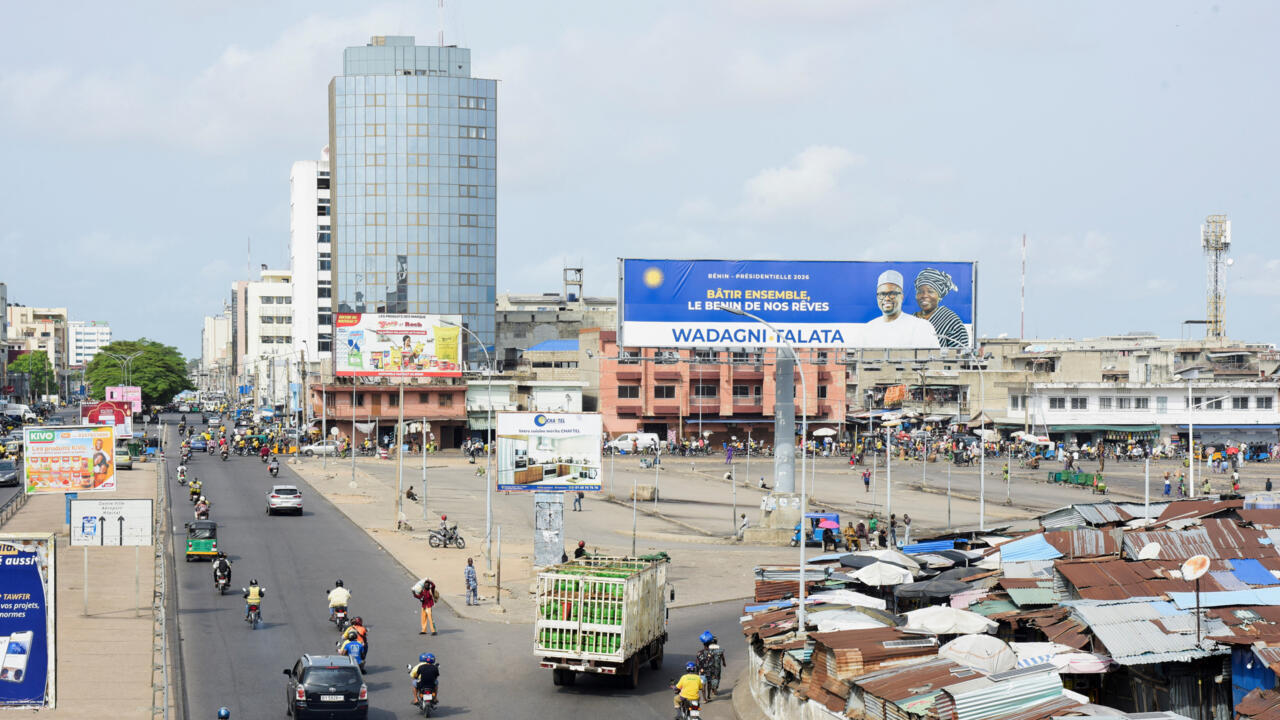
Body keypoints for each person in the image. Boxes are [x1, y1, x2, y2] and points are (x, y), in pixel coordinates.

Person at [860, 270, 941, 349]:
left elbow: (936, 359)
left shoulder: (921, 327)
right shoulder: (869, 329)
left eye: (892, 294)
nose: (887, 298)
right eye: (882, 294)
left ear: (902, 297)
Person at [913, 268, 971, 349]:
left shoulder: (952, 322)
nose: (924, 295)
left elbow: (959, 356)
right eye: (920, 291)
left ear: (939, 296)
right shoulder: (911, 319)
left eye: (930, 291)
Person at [696, 631, 726, 700]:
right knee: (711, 682)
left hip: (703, 671)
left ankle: (704, 699)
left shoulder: (699, 652)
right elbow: (716, 660)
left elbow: (697, 663)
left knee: (704, 685)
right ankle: (710, 694)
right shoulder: (714, 652)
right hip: (712, 670)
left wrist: (697, 672)